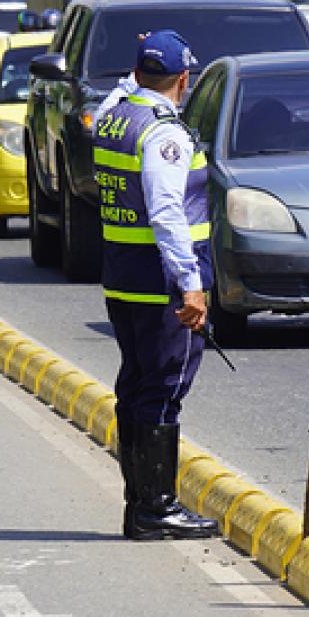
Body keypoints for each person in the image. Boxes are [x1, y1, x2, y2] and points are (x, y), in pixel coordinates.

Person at [91, 29, 220, 541]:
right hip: (160, 286)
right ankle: (157, 508)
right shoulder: (165, 135)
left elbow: (120, 92)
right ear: (184, 80)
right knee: (163, 392)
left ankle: (138, 506)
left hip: (123, 279)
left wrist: (133, 73)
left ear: (138, 74)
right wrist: (190, 285)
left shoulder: (114, 116)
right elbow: (167, 213)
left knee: (135, 388)